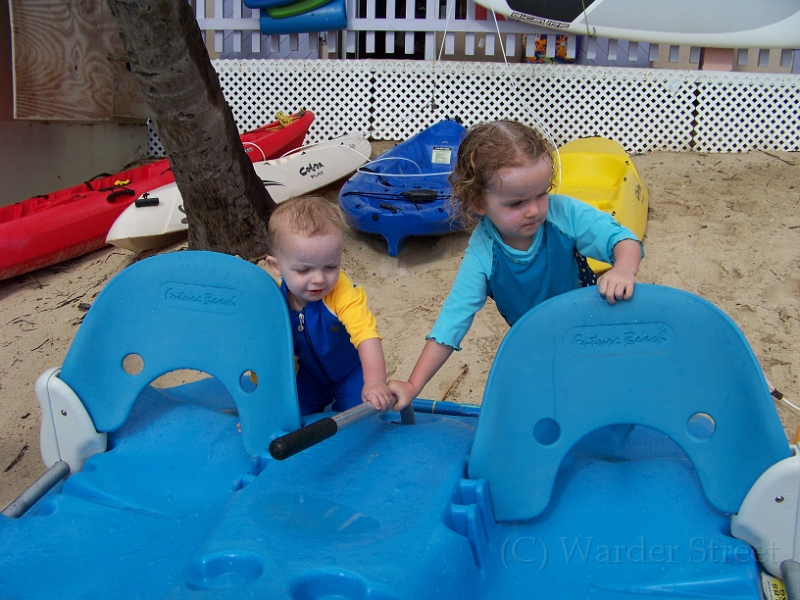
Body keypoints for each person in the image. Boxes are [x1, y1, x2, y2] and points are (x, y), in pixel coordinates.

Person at [388, 120, 643, 409]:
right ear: (477, 202)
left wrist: (623, 269)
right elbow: (451, 323)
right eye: (516, 203)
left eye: (541, 194)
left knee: (603, 394)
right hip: (536, 340)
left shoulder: (563, 215)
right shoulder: (483, 254)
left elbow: (623, 240)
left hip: (590, 325)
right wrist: (413, 384)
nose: (534, 210)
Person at [265, 195, 394, 415]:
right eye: (304, 270)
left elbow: (366, 335)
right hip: (310, 375)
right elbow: (265, 350)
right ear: (276, 266)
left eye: (330, 267)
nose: (319, 279)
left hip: (352, 372)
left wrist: (375, 381)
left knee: (362, 415)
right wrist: (262, 405)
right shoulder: (274, 300)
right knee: (287, 414)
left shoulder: (341, 291)